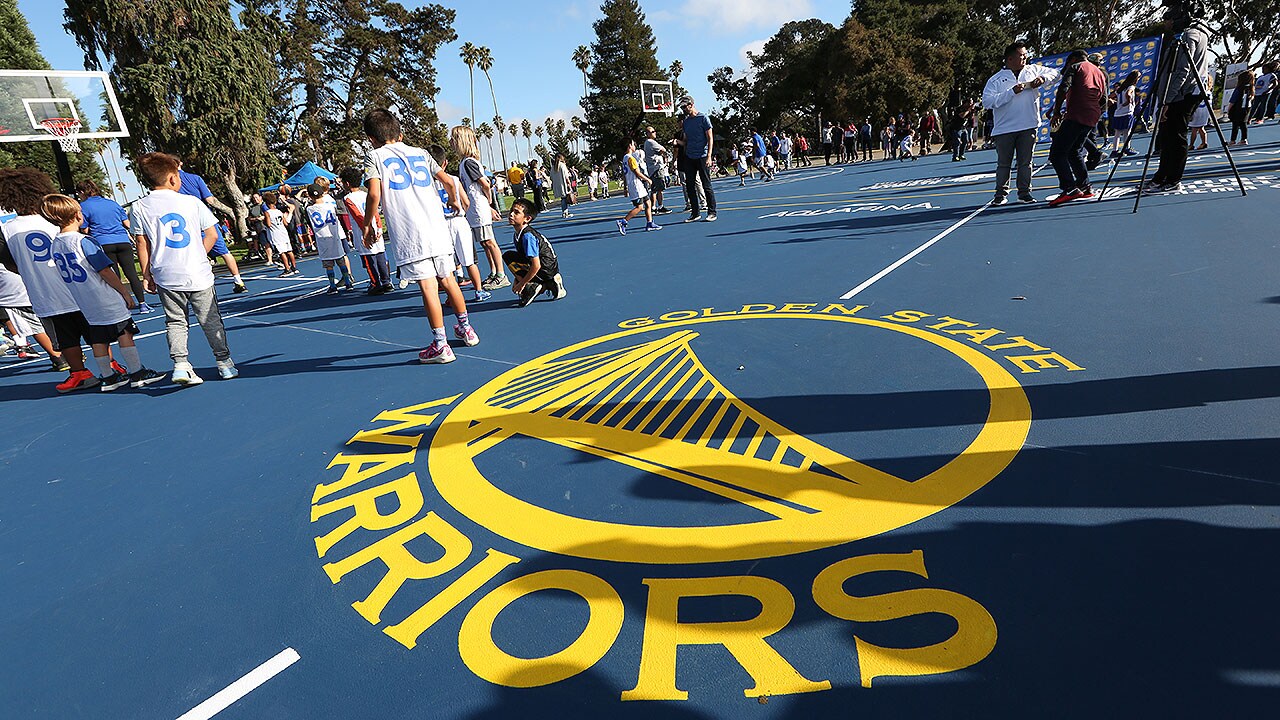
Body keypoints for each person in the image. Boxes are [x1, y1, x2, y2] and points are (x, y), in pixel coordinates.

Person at [360, 109, 478, 364]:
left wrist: (368, 224)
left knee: (428, 286)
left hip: (410, 232)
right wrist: (453, 200)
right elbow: (448, 181)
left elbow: (374, 194)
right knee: (449, 280)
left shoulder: (374, 156)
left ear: (371, 138)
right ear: (399, 132)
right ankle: (466, 329)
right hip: (436, 227)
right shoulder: (421, 153)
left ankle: (441, 344)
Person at [131, 152, 238, 384]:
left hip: (165, 273)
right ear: (172, 178)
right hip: (197, 272)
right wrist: (200, 253)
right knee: (210, 319)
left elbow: (142, 243)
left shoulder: (139, 207)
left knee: (175, 321)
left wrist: (146, 274)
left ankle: (180, 365)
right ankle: (224, 363)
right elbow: (211, 234)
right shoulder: (191, 202)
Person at [40, 194, 164, 390]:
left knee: (98, 339)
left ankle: (108, 376)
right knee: (124, 332)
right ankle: (136, 372)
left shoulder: (55, 244)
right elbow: (104, 270)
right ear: (77, 215)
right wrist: (124, 292)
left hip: (85, 301)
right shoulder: (83, 241)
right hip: (104, 297)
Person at [0, 168, 86, 386]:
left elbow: (9, 263)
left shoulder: (8, 229)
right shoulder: (55, 219)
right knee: (96, 332)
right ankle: (111, 366)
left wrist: (29, 271)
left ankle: (77, 371)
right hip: (75, 284)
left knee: (64, 338)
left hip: (43, 293)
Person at [1145, 0, 1210, 195]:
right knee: (1167, 137)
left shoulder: (1189, 35)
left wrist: (1167, 99)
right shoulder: (1195, 34)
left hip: (1182, 95)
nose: (1167, 23)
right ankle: (1161, 176)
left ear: (1179, 18)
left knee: (1175, 137)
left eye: (1169, 19)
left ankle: (1173, 179)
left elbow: (1182, 70)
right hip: (1183, 93)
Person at [983, 41, 1060, 204]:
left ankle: (1024, 193)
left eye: (1025, 55)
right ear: (1010, 59)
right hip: (1004, 129)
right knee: (1004, 164)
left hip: (1028, 125)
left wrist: (1043, 78)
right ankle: (1000, 194)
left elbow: (1056, 74)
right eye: (1021, 55)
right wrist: (1011, 92)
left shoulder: (1033, 70)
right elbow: (987, 102)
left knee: (1025, 162)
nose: (1025, 58)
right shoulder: (996, 79)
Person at [449, 126, 510, 292]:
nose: (451, 142)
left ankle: (501, 274)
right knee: (484, 242)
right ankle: (493, 271)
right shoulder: (464, 163)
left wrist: (488, 201)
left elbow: (484, 183)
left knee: (489, 241)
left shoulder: (469, 162)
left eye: (454, 139)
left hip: (478, 208)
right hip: (474, 209)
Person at [76, 180, 150, 313]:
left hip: (103, 243)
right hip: (122, 241)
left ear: (82, 192)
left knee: (114, 275)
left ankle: (123, 304)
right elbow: (127, 224)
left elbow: (85, 230)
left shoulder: (83, 207)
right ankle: (142, 303)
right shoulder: (112, 203)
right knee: (131, 273)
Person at [429, 144, 489, 303]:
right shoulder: (454, 180)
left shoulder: (427, 185)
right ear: (445, 163)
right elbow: (466, 202)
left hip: (440, 225)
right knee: (469, 260)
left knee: (448, 265)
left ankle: (451, 297)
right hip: (458, 222)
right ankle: (479, 290)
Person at [1047, 49, 1108, 207]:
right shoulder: (1100, 72)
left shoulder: (1076, 67)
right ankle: (1084, 185)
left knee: (1057, 153)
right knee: (1074, 151)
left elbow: (1063, 88)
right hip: (1092, 115)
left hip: (1077, 114)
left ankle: (1069, 188)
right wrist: (1094, 112)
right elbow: (1104, 99)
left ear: (1073, 59)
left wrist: (1056, 112)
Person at [177, 160, 247, 293]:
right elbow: (210, 199)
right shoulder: (195, 178)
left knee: (192, 254)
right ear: (180, 163)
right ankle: (238, 281)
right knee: (225, 252)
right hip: (205, 219)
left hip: (188, 222)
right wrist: (227, 209)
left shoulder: (170, 183)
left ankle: (197, 285)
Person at [339, 169, 393, 295]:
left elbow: (358, 216)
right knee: (380, 255)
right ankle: (386, 282)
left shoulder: (348, 198)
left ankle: (375, 283)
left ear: (347, 183)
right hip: (375, 227)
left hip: (363, 230)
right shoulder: (366, 194)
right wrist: (379, 227)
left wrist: (366, 230)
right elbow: (375, 212)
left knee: (369, 258)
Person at [504, 198, 565, 307]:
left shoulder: (528, 236)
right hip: (542, 266)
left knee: (510, 257)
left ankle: (533, 286)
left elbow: (536, 265)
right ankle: (547, 284)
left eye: (516, 212)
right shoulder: (518, 234)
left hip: (546, 268)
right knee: (508, 256)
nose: (511, 214)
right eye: (511, 211)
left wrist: (522, 283)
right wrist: (517, 279)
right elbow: (523, 258)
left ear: (527, 219)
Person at [674, 95, 717, 222]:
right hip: (690, 156)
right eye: (681, 108)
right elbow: (686, 141)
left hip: (702, 156)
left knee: (706, 185)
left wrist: (709, 156)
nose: (683, 109)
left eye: (684, 107)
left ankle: (712, 212)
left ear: (691, 105)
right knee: (690, 186)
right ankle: (695, 213)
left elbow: (710, 138)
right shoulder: (686, 122)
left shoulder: (703, 118)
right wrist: (678, 142)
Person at [307, 182, 355, 293]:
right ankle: (348, 283)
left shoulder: (309, 209)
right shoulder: (330, 205)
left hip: (322, 237)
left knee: (328, 264)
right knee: (341, 260)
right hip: (334, 235)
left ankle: (333, 286)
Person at [616, 138, 661, 235]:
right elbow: (637, 173)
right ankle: (623, 221)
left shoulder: (625, 158)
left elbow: (624, 175)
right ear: (629, 146)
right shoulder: (631, 159)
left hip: (636, 185)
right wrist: (648, 179)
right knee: (639, 207)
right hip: (636, 185)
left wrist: (625, 187)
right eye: (633, 144)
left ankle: (650, 223)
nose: (634, 146)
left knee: (648, 203)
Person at [261, 191, 298, 276]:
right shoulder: (279, 211)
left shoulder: (267, 213)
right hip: (283, 232)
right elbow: (285, 223)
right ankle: (294, 267)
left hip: (275, 234)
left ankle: (287, 268)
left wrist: (263, 220)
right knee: (289, 250)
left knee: (281, 252)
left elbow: (268, 224)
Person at [1110, 71, 1141, 157]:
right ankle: (1127, 148)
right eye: (1138, 78)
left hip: (1118, 113)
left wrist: (1113, 101)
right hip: (1127, 112)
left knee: (1117, 134)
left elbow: (1111, 96)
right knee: (1127, 132)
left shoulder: (1120, 89)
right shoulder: (1131, 87)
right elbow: (1128, 93)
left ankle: (1114, 150)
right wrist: (1128, 101)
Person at [642, 126, 671, 214]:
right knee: (659, 189)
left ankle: (653, 207)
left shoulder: (647, 143)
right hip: (656, 168)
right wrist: (661, 153)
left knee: (654, 190)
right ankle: (660, 206)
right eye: (652, 132)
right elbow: (663, 149)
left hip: (651, 169)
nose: (655, 133)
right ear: (648, 134)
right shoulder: (651, 142)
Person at [1227, 70, 1254, 145]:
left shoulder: (1239, 88)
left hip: (1238, 108)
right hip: (1246, 108)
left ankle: (1232, 140)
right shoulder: (1251, 88)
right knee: (1243, 124)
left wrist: (1229, 109)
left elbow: (1233, 100)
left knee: (1235, 125)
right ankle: (1244, 139)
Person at [552, 154, 574, 220]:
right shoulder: (562, 165)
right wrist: (569, 183)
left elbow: (551, 177)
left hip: (558, 184)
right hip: (564, 184)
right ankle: (565, 212)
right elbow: (566, 176)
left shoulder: (553, 167)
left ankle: (565, 211)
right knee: (565, 198)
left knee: (563, 198)